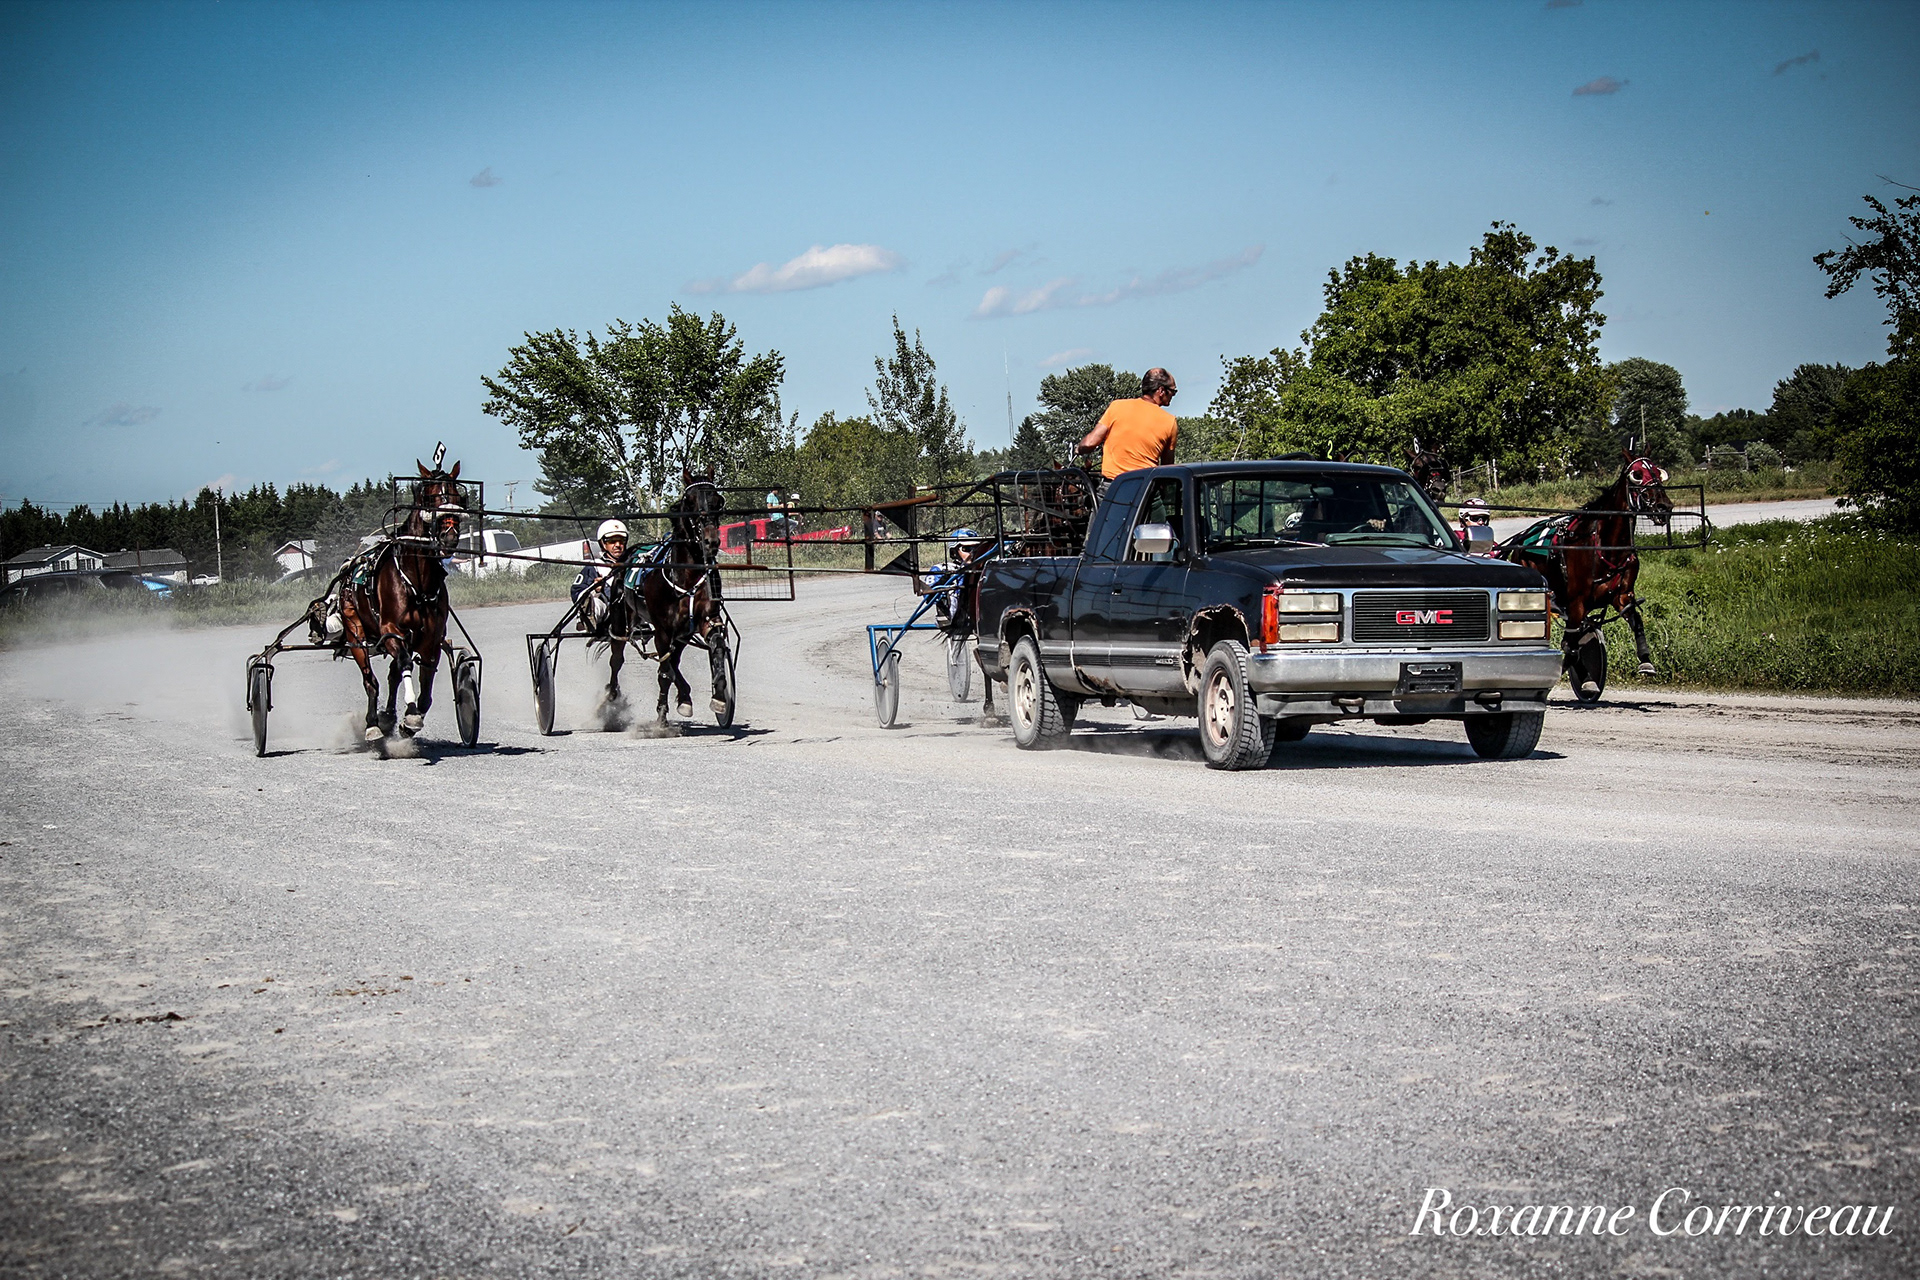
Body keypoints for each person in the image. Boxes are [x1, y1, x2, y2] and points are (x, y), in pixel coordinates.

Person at [1078, 368, 1179, 498]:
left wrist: (1079, 449)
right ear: (1161, 391)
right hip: (1144, 490)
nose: (1173, 396)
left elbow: (1089, 443)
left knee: (1099, 518)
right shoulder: (1169, 422)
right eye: (1173, 392)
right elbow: (1167, 468)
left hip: (1113, 488)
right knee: (1161, 518)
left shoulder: (1117, 407)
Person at [571, 518, 630, 630]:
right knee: (595, 603)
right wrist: (594, 589)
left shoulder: (634, 565)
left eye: (621, 541)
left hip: (631, 610)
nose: (617, 545)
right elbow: (576, 591)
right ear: (603, 544)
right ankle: (588, 620)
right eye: (612, 541)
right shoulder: (594, 566)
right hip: (606, 613)